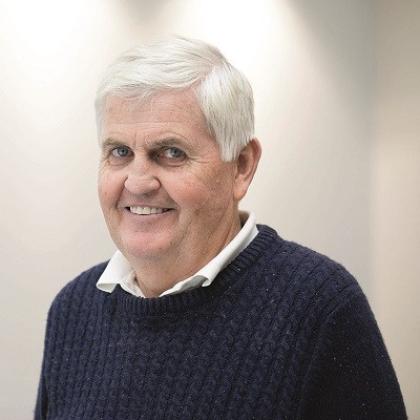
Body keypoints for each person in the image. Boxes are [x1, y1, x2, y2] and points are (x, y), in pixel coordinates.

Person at [35, 37, 407, 420]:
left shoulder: (319, 308)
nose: (139, 181)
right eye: (120, 152)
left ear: (242, 166)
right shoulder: (72, 311)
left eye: (171, 153)